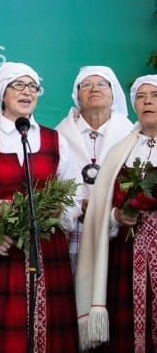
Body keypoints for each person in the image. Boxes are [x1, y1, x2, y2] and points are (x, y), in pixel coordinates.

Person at [0, 62, 83, 353]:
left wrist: (60, 213)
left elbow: (74, 192)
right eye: (18, 85)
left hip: (47, 250)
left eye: (32, 86)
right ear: (2, 94)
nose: (27, 92)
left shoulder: (53, 140)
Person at [76, 74, 157, 351]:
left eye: (155, 95)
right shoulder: (120, 150)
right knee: (128, 325)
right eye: (141, 96)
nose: (147, 101)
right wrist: (116, 217)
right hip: (127, 252)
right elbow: (100, 211)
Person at [55, 65, 133, 267]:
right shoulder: (58, 136)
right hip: (74, 232)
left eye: (101, 84)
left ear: (113, 93)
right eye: (86, 85)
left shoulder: (131, 135)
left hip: (120, 231)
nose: (94, 88)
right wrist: (77, 203)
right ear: (77, 96)